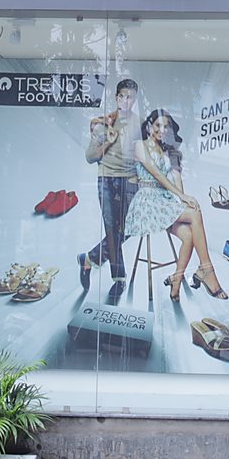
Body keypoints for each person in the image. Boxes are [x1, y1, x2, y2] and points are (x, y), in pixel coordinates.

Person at [122, 109, 229, 302]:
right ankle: (206, 270)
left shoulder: (168, 151)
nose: (161, 130)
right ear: (149, 126)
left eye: (166, 127)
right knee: (195, 214)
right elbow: (156, 174)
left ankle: (176, 280)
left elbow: (177, 178)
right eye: (158, 125)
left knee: (188, 234)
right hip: (147, 202)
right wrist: (180, 195)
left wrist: (184, 198)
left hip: (164, 202)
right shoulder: (139, 145)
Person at [79, 78, 142, 300]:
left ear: (135, 100)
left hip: (130, 181)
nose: (126, 100)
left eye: (131, 97)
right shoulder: (104, 123)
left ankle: (90, 259)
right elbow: (89, 157)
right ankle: (119, 279)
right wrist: (108, 141)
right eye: (122, 96)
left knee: (127, 229)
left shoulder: (139, 124)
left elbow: (142, 157)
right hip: (106, 180)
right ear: (116, 97)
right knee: (112, 231)